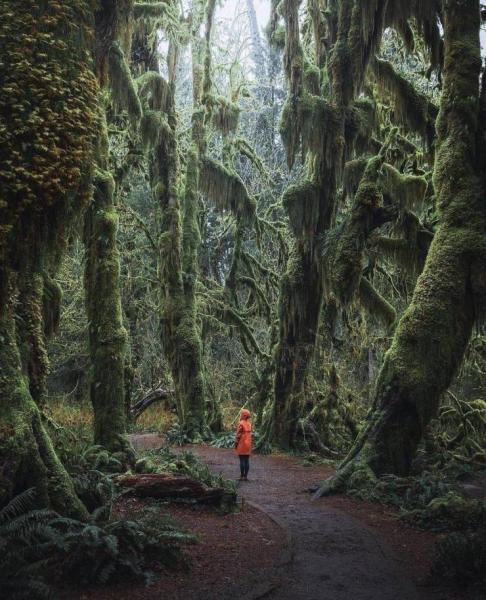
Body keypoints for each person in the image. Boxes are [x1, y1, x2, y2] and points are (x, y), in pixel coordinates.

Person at [234, 409, 252, 481]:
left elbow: (238, 434)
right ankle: (246, 476)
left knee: (242, 460)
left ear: (243, 415)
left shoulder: (241, 423)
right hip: (248, 443)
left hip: (242, 443)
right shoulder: (249, 424)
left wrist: (236, 443)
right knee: (247, 460)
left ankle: (242, 476)